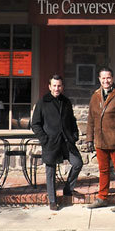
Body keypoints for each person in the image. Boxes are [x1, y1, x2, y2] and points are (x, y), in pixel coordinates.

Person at [31, 74, 84, 211]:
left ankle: (68, 189)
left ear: (62, 87)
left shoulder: (66, 102)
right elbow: (35, 124)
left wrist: (74, 135)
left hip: (67, 141)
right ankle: (52, 200)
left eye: (59, 86)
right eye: (54, 86)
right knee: (50, 172)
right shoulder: (42, 102)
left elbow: (72, 121)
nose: (57, 88)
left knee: (78, 163)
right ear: (49, 87)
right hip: (51, 142)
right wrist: (44, 139)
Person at [85, 65, 115, 212]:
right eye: (103, 78)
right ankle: (102, 198)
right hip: (100, 140)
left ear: (112, 79)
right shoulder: (95, 96)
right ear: (99, 79)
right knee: (103, 170)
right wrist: (89, 139)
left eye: (108, 77)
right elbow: (90, 119)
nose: (106, 80)